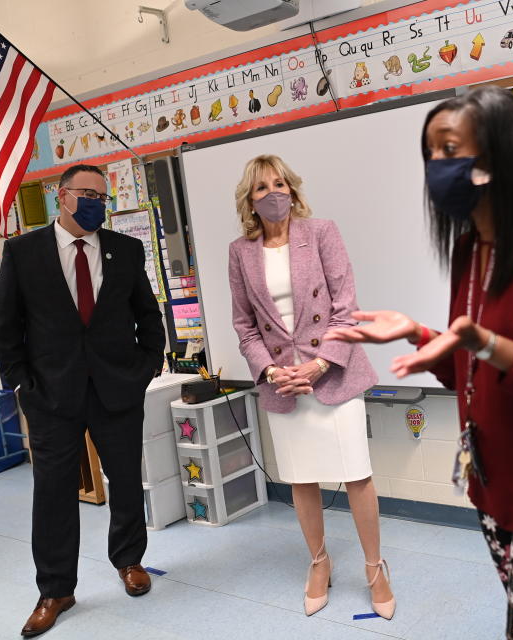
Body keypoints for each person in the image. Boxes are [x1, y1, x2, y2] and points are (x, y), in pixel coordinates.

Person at [325, 87, 513, 640]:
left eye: (449, 149)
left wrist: (482, 343)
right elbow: (471, 359)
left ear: (496, 158)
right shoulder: (470, 247)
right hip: (494, 483)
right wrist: (420, 334)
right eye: (430, 154)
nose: (435, 168)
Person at [0, 164, 165, 637]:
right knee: (52, 494)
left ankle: (129, 560)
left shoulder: (126, 250)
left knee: (126, 480)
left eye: (102, 197)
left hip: (117, 391)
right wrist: (22, 385)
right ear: (62, 197)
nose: (96, 203)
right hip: (50, 396)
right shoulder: (24, 252)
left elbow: (149, 318)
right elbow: (6, 328)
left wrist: (145, 368)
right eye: (87, 194)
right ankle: (55, 589)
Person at [227, 155, 395, 619]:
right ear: (250, 200)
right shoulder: (240, 251)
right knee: (302, 478)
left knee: (357, 474)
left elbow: (346, 307)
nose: (272, 193)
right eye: (261, 188)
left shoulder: (321, 232)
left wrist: (320, 363)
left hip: (332, 374)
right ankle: (319, 562)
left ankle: (374, 567)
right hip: (283, 383)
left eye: (279, 183)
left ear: (292, 189)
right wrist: (272, 371)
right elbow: (244, 325)